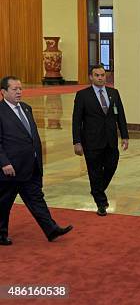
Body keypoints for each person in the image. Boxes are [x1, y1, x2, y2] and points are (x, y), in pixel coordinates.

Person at [0, 76, 73, 245]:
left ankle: (51, 229)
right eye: (14, 89)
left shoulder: (26, 108)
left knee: (36, 198)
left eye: (20, 89)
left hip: (30, 165)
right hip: (10, 168)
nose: (19, 92)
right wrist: (4, 162)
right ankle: (1, 234)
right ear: (3, 92)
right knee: (3, 203)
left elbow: (31, 137)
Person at [72, 64, 129, 216]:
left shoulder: (113, 93)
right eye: (97, 75)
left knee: (111, 166)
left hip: (110, 140)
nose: (100, 78)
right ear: (91, 77)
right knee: (94, 172)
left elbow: (120, 115)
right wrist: (77, 142)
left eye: (102, 75)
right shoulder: (83, 95)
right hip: (91, 141)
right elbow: (76, 120)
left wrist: (125, 135)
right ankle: (101, 203)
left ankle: (96, 190)